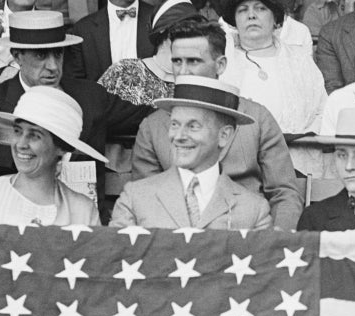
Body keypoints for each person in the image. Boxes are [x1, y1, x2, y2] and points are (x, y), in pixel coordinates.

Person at [0, 10, 148, 187]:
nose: (52, 66)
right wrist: (11, 145)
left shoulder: (90, 96)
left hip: (83, 217)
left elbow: (147, 118)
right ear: (17, 56)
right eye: (41, 55)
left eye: (58, 54)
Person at [129, 18, 301, 230]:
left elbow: (284, 194)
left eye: (193, 61)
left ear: (220, 65)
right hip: (175, 240)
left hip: (246, 237)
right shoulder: (152, 127)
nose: (183, 71)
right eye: (177, 61)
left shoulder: (256, 118)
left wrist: (274, 245)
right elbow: (145, 200)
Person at [111, 74, 271, 231]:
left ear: (224, 136)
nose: (179, 136)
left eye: (193, 126)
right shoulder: (135, 198)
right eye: (174, 124)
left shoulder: (254, 210)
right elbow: (115, 255)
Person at [214, 0, 326, 176]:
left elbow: (320, 111)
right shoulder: (222, 63)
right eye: (243, 10)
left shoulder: (299, 60)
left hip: (295, 163)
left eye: (260, 8)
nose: (251, 16)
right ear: (234, 21)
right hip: (238, 165)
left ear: (275, 18)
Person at [0, 86, 104, 227]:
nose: (21, 144)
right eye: (17, 131)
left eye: (35, 136)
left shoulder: (82, 211)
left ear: (61, 147)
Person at [98, 0, 202, 107]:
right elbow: (94, 109)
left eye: (196, 28)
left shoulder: (194, 81)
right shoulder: (123, 70)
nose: (191, 33)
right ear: (163, 28)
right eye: (185, 27)